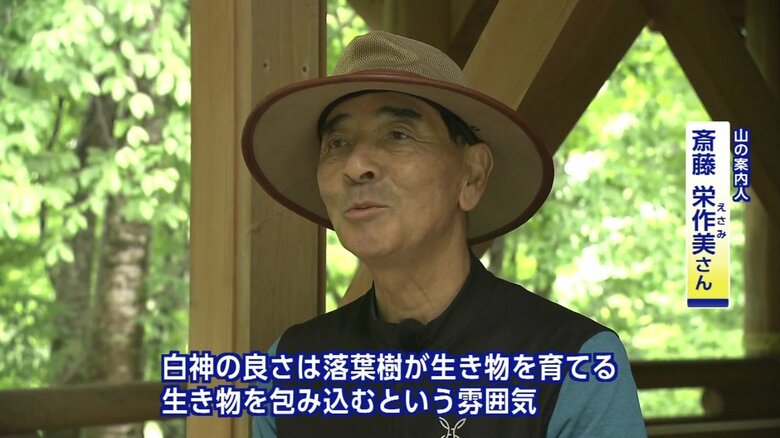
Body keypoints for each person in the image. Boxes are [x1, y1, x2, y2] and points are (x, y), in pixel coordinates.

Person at [242, 31, 646, 437]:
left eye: (398, 134)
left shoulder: (575, 363)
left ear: (472, 175)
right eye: (337, 142)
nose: (356, 165)